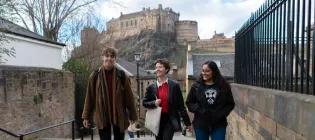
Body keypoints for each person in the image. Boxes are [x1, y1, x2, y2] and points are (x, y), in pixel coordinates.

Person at [82, 47, 138, 140]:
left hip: (119, 115)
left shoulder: (122, 75)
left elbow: (129, 97)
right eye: (107, 56)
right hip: (102, 114)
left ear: (115, 59)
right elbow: (89, 97)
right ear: (102, 57)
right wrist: (86, 116)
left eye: (112, 56)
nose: (109, 58)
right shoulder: (95, 75)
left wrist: (133, 115)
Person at [142, 59, 191, 140]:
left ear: (166, 69)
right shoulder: (151, 87)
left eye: (160, 67)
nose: (157, 69)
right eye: (156, 67)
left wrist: (187, 123)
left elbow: (181, 106)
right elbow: (144, 103)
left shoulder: (174, 86)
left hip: (170, 119)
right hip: (156, 119)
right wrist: (154, 103)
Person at [186, 61, 235, 140]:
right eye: (203, 71)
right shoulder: (196, 86)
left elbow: (230, 104)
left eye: (207, 71)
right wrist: (199, 110)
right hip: (201, 123)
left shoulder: (224, 86)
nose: (204, 73)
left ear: (214, 72)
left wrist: (221, 114)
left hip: (218, 124)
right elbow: (189, 102)